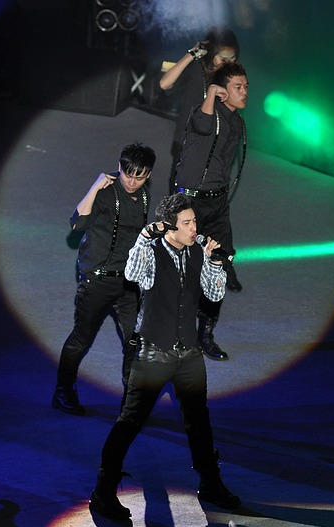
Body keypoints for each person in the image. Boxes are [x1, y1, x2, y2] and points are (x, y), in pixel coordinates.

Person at [89, 193, 241, 521]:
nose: (194, 228)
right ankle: (103, 492)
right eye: (187, 223)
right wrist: (144, 238)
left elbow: (213, 294)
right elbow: (132, 274)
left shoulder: (197, 251)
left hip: (188, 354)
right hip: (153, 354)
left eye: (194, 221)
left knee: (199, 422)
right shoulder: (153, 251)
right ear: (170, 227)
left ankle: (211, 483)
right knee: (130, 422)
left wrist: (215, 263)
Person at [53, 142, 156, 415]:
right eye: (128, 174)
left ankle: (131, 401)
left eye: (140, 176)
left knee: (135, 341)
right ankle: (63, 392)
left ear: (148, 174)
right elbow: (77, 223)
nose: (132, 182)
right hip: (97, 281)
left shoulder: (144, 196)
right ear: (119, 167)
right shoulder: (105, 192)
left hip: (129, 283)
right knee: (81, 339)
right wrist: (95, 186)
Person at [173, 61, 248, 361]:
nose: (244, 92)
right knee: (182, 271)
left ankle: (205, 334)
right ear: (221, 91)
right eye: (237, 87)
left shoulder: (237, 122)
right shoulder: (204, 113)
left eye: (246, 86)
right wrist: (210, 94)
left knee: (219, 265)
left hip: (218, 204)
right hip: (191, 204)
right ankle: (175, 331)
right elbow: (203, 125)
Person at [159, 26, 240, 195]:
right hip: (188, 138)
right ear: (211, 54)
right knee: (180, 190)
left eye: (232, 58)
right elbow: (165, 84)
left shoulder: (234, 75)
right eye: (223, 59)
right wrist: (191, 54)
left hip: (217, 141)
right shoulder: (197, 68)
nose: (228, 63)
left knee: (211, 190)